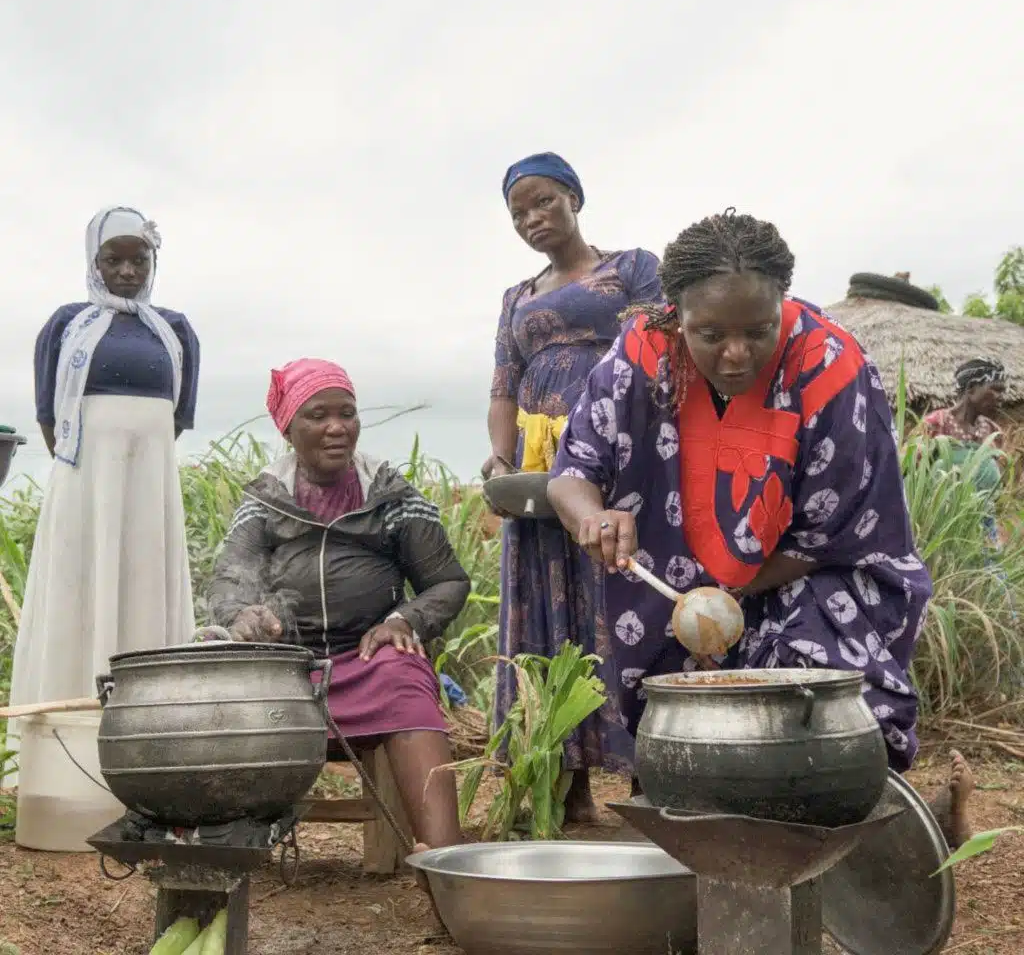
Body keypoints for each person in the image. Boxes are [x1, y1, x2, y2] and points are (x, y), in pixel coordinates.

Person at [546, 209, 974, 848]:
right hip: (670, 587)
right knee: (684, 729)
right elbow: (571, 471)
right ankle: (708, 850)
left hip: (809, 574)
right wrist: (593, 516)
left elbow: (835, 531)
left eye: (759, 330)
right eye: (710, 332)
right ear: (675, 314)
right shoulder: (639, 355)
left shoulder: (833, 368)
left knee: (805, 706)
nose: (736, 353)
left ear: (785, 306)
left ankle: (884, 832)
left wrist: (726, 594)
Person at [208, 358, 468, 854]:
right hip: (288, 667)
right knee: (225, 684)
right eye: (317, 415)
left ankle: (446, 862)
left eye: (346, 413)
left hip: (369, 661)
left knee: (405, 674)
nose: (336, 428)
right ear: (288, 429)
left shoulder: (390, 495)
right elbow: (228, 578)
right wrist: (242, 614)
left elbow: (447, 582)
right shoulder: (267, 501)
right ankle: (226, 850)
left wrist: (403, 620)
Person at [485, 151, 662, 821]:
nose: (533, 218)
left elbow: (660, 352)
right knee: (548, 618)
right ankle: (568, 786)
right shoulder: (517, 299)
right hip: (539, 474)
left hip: (620, 459)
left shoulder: (632, 268)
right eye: (518, 211)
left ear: (575, 198)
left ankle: (654, 779)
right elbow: (503, 387)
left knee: (628, 605)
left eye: (544, 201)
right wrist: (502, 464)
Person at [8, 207, 199, 765]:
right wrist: (93, 473)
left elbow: (178, 417)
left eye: (139, 259)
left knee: (145, 579)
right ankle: (61, 751)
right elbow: (49, 413)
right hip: (86, 482)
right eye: (112, 259)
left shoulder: (175, 329)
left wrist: (136, 459)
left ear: (153, 262)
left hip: (148, 482)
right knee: (79, 581)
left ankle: (149, 746)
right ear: (93, 261)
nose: (126, 271)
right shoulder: (68, 323)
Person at [923, 358, 1007, 546]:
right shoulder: (936, 424)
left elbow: (998, 488)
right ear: (971, 388)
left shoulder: (993, 433)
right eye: (995, 389)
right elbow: (907, 474)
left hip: (983, 532)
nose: (1001, 397)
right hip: (939, 533)